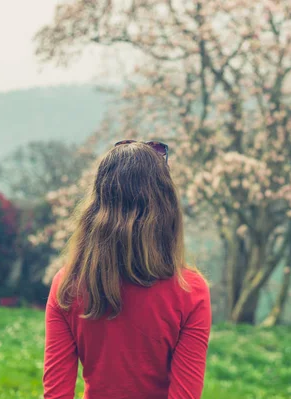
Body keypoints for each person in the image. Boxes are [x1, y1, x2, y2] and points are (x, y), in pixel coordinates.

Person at [43, 140, 211, 399]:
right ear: (166, 209)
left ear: (97, 206)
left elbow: (57, 395)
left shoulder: (66, 286)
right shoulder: (191, 291)